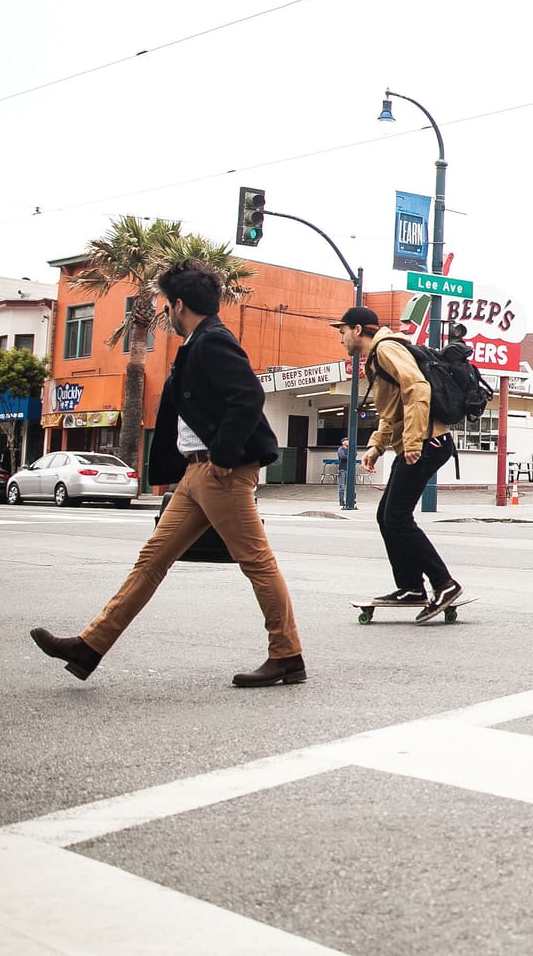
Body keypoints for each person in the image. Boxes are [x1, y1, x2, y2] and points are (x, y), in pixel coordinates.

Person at [30, 260, 305, 687]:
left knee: (256, 562)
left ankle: (287, 656)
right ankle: (89, 646)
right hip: (196, 476)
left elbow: (248, 396)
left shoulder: (213, 341)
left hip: (220, 473)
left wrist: (225, 454)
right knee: (151, 560)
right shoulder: (198, 343)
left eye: (166, 306)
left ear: (179, 305)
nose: (165, 314)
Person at [334, 305, 465, 623]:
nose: (341, 338)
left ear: (359, 329)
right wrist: (376, 447)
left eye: (343, 331)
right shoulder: (378, 357)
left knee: (396, 517)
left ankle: (444, 584)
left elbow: (417, 389)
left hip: (428, 442)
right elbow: (393, 409)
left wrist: (413, 442)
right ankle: (410, 587)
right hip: (420, 442)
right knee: (387, 516)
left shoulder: (387, 348)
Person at [334, 438, 352, 507]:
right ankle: (341, 500)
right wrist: (350, 456)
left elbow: (355, 454)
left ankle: (352, 499)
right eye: (347, 441)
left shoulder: (350, 449)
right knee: (341, 486)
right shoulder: (341, 449)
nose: (348, 442)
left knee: (350, 485)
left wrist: (349, 455)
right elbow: (342, 456)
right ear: (343, 442)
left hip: (349, 469)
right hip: (342, 469)